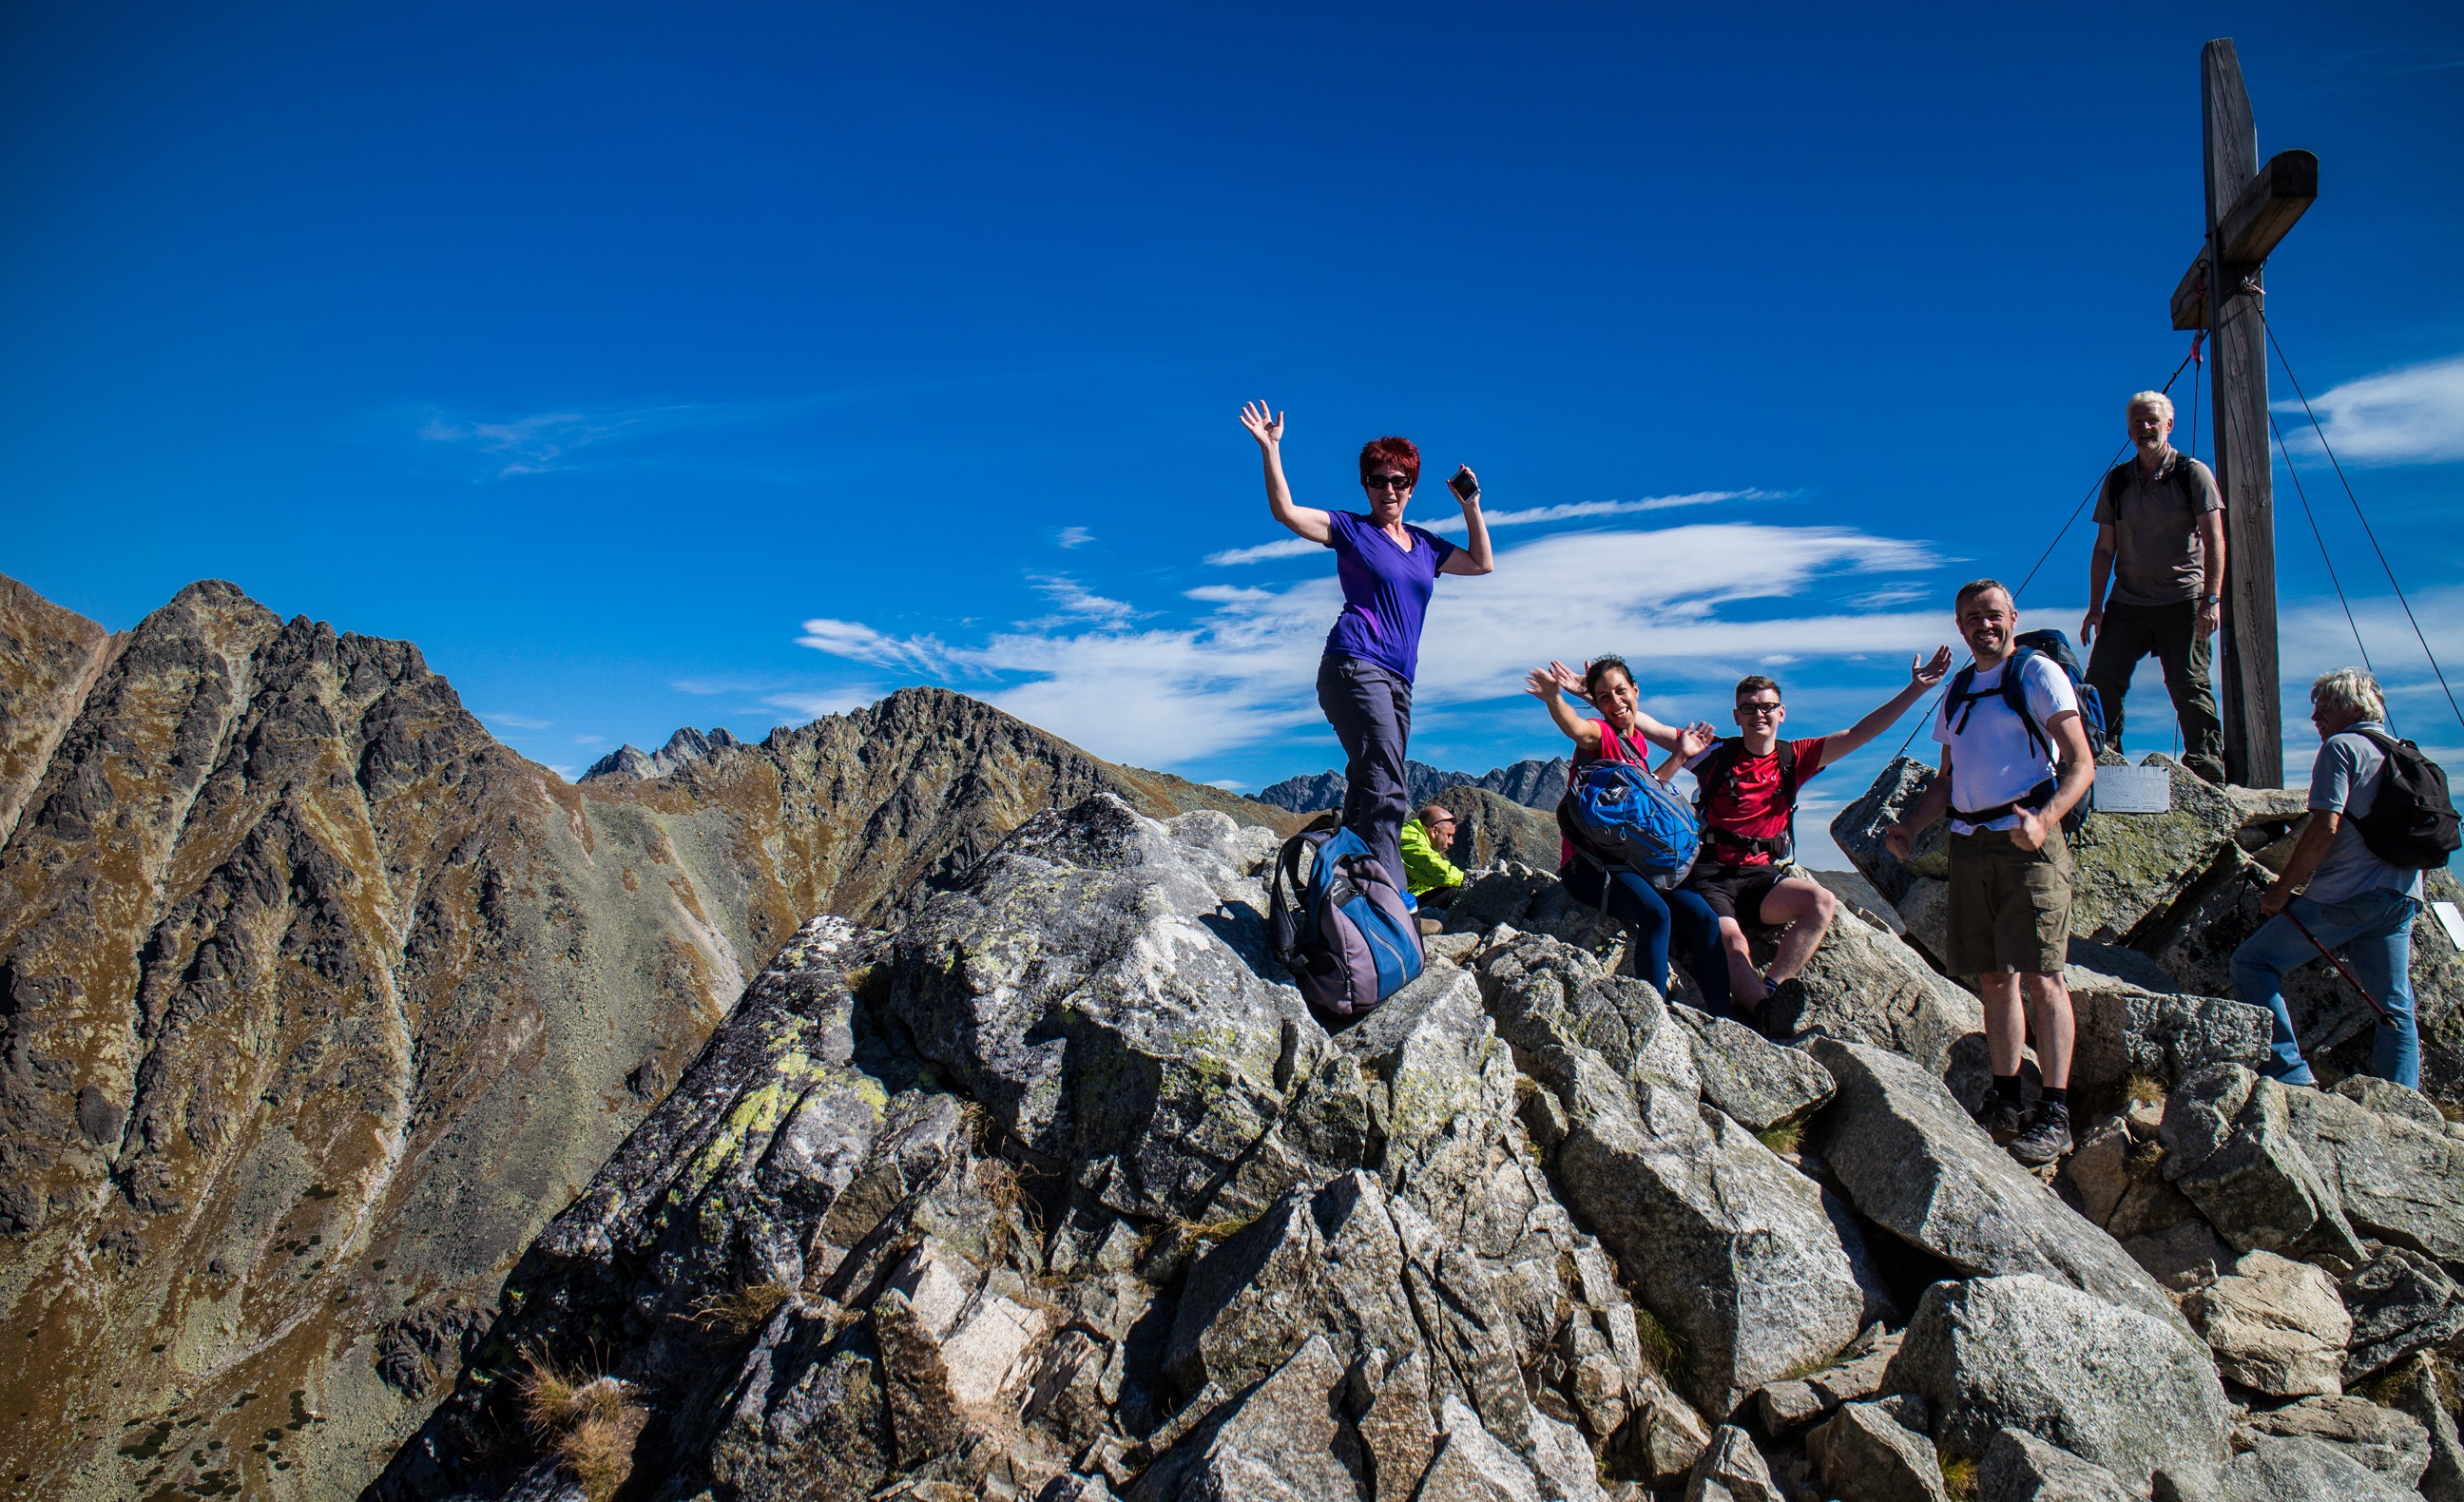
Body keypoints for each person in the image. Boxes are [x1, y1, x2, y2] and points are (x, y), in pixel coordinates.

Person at [1241, 401, 1494, 891]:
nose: (1388, 489)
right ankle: (1387, 897)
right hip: (1355, 665)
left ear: (1412, 486)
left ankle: (1343, 889)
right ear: (1365, 486)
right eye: (1378, 480)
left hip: (1400, 680)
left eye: (1399, 480)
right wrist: (1271, 450)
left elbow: (1482, 563)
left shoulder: (1426, 546)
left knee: (1366, 785)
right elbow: (1286, 512)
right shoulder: (1351, 530)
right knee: (1386, 785)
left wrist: (1471, 506)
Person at [1885, 581, 2096, 1165]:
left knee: (2043, 976)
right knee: (1995, 977)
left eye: (1994, 614)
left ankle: (2055, 1112)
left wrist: (2046, 819)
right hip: (1970, 844)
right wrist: (1911, 827)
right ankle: (2005, 1100)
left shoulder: (2037, 674)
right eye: (1973, 617)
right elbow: (1949, 779)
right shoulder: (1957, 690)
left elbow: (2081, 764)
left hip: (2028, 841)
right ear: (1959, 626)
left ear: (2013, 617)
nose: (1985, 625)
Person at [1685, 651, 1953, 1025]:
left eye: (1767, 706)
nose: (1758, 713)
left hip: (1760, 876)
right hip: (1711, 876)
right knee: (1733, 942)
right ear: (1737, 716)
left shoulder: (1794, 757)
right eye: (1748, 708)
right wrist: (1606, 702)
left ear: (1781, 713)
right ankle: (1763, 1012)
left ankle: (1774, 989)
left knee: (1821, 901)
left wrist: (1916, 690)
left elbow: (1860, 733)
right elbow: (1646, 728)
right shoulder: (1715, 753)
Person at [2229, 669, 2423, 1088]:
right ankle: (2405, 1104)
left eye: (2324, 707)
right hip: (2403, 894)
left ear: (2352, 708)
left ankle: (2291, 1075)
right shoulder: (2404, 753)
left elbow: (2325, 827)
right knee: (2394, 1006)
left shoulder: (2342, 747)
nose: (2315, 717)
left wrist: (2281, 890)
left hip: (2346, 894)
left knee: (2253, 962)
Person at [1529, 656, 1731, 1013]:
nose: (1616, 702)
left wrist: (1681, 755)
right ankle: (1654, 1016)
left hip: (1632, 858)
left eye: (1621, 691)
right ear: (1596, 704)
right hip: (1590, 865)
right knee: (1657, 914)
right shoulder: (1601, 735)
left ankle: (1723, 1018)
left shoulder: (1637, 743)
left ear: (1635, 691)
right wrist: (1553, 699)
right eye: (1604, 697)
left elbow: (1646, 795)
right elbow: (1577, 728)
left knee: (1705, 920)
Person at [2082, 390, 2227, 783]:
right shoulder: (2118, 480)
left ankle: (2205, 765)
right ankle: (2102, 757)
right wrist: (2095, 607)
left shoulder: (2192, 473)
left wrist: (2211, 600)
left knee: (2187, 681)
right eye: (2137, 422)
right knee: (2102, 678)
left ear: (2169, 425)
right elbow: (2104, 547)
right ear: (2128, 429)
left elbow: (2214, 538)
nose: (2145, 428)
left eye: (2152, 420)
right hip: (2128, 599)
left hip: (2183, 598)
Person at [1399, 803, 1466, 910]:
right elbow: (1439, 871)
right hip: (1396, 904)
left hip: (1403, 899)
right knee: (1453, 893)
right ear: (1435, 830)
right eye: (1449, 835)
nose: (1451, 842)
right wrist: (1468, 878)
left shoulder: (1418, 839)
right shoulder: (1409, 838)